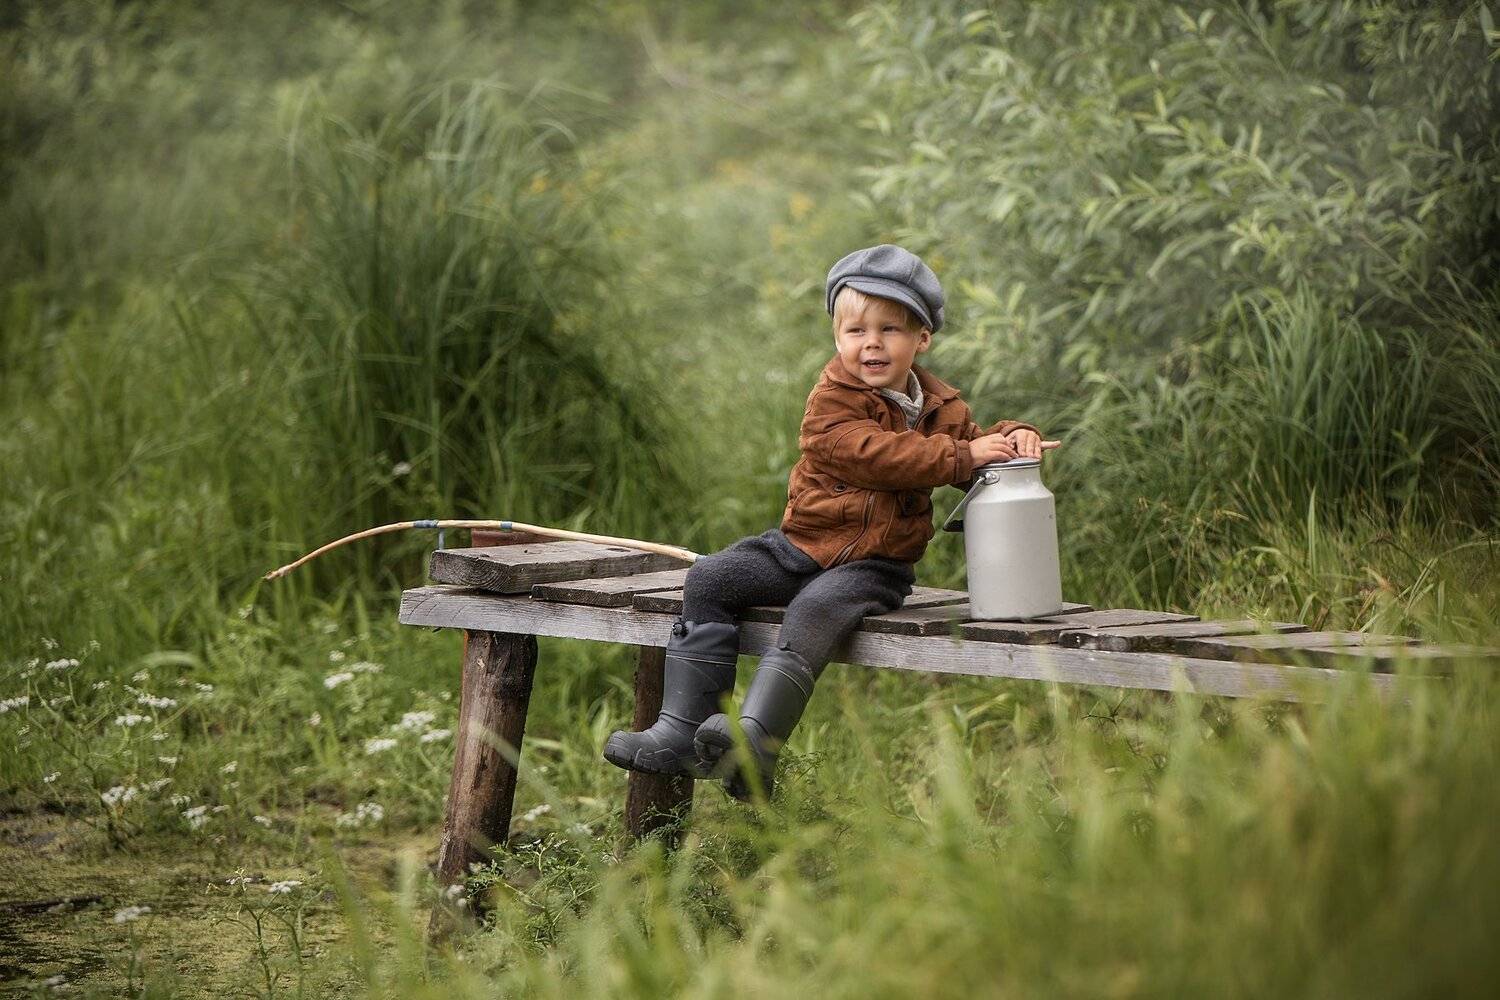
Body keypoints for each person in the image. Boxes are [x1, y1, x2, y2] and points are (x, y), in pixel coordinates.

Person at [603, 244, 1059, 801]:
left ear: (922, 340)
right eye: (855, 331)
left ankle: (757, 744)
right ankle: (680, 731)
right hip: (803, 545)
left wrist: (1012, 439)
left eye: (890, 329)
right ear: (837, 337)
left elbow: (972, 454)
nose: (871, 343)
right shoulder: (830, 403)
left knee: (817, 607)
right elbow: (874, 456)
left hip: (876, 565)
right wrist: (964, 455)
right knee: (711, 579)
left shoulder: (943, 410)